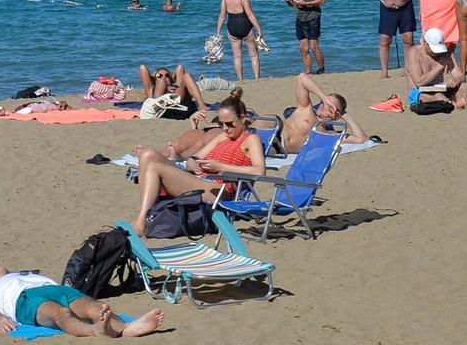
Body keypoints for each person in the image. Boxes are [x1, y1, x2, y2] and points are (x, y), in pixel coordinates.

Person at [128, 93, 266, 234]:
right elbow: (193, 159)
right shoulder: (222, 137)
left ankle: (141, 222)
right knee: (148, 155)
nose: (225, 128)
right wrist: (194, 164)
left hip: (220, 189)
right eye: (221, 124)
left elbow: (259, 171)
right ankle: (144, 217)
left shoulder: (250, 139)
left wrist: (220, 167)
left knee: (153, 165)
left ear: (243, 118)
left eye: (230, 124)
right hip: (199, 180)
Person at [0, 261, 163, 338]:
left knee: (96, 307)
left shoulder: (22, 274)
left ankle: (126, 329)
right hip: (23, 299)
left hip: (55, 289)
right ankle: (93, 330)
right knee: (61, 313)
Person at [280, 72, 367, 152]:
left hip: (277, 148)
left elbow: (361, 139)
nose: (323, 105)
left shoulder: (329, 135)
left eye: (330, 106)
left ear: (336, 114)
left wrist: (344, 115)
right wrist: (324, 98)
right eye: (322, 102)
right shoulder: (305, 109)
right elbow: (302, 77)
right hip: (274, 129)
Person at [214, 0, 264, 81]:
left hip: (232, 27)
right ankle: (257, 79)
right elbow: (250, 15)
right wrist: (259, 28)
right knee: (254, 54)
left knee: (237, 56)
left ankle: (240, 80)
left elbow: (222, 16)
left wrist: (218, 31)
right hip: (245, 25)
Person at [285, 0, 326, 74]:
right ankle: (308, 72)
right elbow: (293, 4)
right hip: (299, 18)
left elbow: (322, 0)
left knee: (313, 46)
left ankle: (322, 70)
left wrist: (306, 3)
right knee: (303, 48)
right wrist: (288, 0)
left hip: (313, 17)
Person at [138, 63, 206, 119]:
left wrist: (172, 81)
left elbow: (180, 67)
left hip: (179, 104)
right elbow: (142, 68)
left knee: (187, 76)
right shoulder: (151, 90)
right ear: (154, 79)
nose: (164, 77)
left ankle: (202, 105)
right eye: (159, 75)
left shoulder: (176, 90)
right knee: (161, 82)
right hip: (160, 107)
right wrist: (163, 83)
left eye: (167, 75)